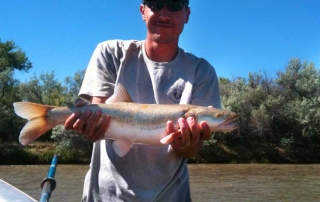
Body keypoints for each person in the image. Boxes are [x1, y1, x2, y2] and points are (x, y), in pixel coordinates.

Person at [65, 0, 221, 201]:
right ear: (142, 11)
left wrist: (187, 142)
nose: (164, 13)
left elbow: (191, 150)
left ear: (187, 14)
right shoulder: (110, 53)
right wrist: (89, 125)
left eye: (174, 5)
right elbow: (99, 117)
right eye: (156, 4)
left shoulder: (202, 71)